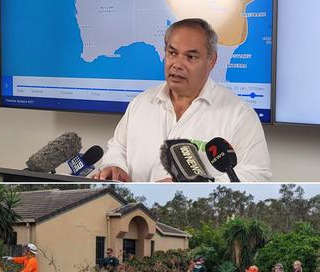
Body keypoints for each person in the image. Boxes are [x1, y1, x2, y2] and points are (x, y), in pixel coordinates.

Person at [92, 18, 270, 182]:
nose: (177, 64)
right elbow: (118, 148)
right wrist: (114, 166)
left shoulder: (239, 115)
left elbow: (257, 176)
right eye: (172, 53)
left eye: (190, 57)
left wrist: (195, 187)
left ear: (211, 60)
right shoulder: (141, 103)